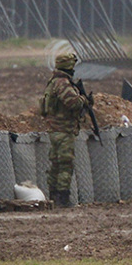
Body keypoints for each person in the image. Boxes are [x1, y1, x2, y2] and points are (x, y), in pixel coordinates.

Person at [40, 52, 91, 208]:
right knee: (65, 165)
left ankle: (53, 197)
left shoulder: (53, 81)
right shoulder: (62, 82)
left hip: (55, 130)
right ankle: (62, 199)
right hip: (63, 130)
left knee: (55, 165)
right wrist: (84, 99)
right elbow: (73, 103)